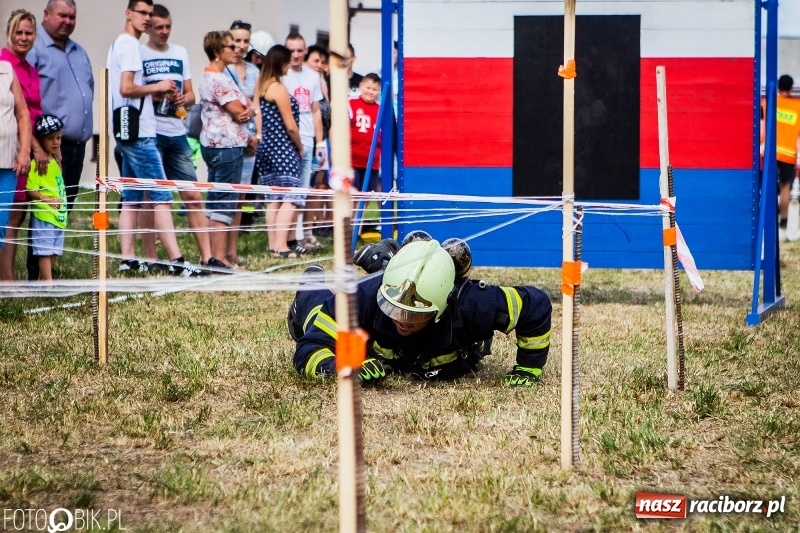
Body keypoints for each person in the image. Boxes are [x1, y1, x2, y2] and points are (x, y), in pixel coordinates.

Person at [288, 238, 552, 386]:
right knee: (315, 314)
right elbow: (309, 348)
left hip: (447, 354)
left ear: (442, 306)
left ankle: (381, 256)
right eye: (394, 308)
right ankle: (309, 288)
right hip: (367, 328)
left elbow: (535, 305)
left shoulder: (473, 303)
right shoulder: (365, 296)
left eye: (415, 314)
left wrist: (529, 367)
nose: (402, 319)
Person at [108, 0, 203, 277]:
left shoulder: (122, 43)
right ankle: (178, 261)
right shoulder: (129, 46)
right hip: (139, 131)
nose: (147, 19)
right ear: (128, 14)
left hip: (128, 126)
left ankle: (128, 259)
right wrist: (158, 86)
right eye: (143, 14)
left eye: (151, 14)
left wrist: (156, 93)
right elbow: (126, 88)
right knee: (161, 194)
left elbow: (126, 88)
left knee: (132, 196)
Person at [140, 4, 225, 272]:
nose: (164, 32)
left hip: (177, 133)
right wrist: (156, 92)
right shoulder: (139, 53)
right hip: (150, 132)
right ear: (148, 27)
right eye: (159, 27)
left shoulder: (180, 53)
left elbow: (190, 95)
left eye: (168, 27)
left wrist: (181, 98)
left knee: (192, 194)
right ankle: (152, 258)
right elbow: (131, 89)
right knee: (149, 196)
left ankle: (206, 256)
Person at [28, 0, 93, 214]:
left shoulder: (79, 51)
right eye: (62, 16)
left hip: (77, 147)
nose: (68, 21)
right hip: (49, 148)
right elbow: (24, 98)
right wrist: (37, 147)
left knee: (64, 211)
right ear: (46, 14)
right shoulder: (33, 48)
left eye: (72, 17)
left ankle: (58, 249)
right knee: (46, 214)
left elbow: (89, 89)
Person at [198, 30, 257, 267]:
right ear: (216, 51)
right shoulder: (217, 79)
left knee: (215, 200)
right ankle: (219, 257)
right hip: (226, 145)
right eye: (230, 47)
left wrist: (248, 107)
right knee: (224, 201)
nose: (236, 50)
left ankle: (212, 255)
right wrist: (250, 109)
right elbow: (239, 111)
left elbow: (245, 106)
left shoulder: (213, 76)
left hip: (214, 144)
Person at [0, 9, 43, 281]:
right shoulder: (5, 63)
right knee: (12, 216)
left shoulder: (26, 69)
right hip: (18, 150)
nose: (24, 37)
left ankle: (10, 278)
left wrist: (41, 147)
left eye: (28, 32)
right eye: (19, 32)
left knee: (15, 216)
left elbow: (27, 113)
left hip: (19, 153)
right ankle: (8, 279)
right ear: (8, 34)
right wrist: (33, 148)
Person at [254, 44, 303, 258]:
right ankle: (282, 245)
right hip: (283, 147)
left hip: (266, 147)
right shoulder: (278, 88)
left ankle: (273, 244)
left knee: (273, 198)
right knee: (291, 198)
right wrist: (299, 147)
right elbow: (290, 125)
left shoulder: (261, 86)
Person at [282, 32, 326, 253]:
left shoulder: (312, 76)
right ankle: (287, 239)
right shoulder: (281, 75)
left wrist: (320, 143)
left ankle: (297, 236)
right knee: (288, 192)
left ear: (306, 50)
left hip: (309, 139)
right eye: (291, 50)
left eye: (300, 50)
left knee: (303, 190)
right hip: (288, 140)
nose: (296, 55)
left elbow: (316, 110)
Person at [224, 19, 261, 266]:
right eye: (237, 40)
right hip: (226, 138)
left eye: (246, 41)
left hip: (249, 140)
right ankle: (218, 250)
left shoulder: (255, 71)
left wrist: (256, 136)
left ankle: (232, 250)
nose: (241, 45)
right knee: (224, 195)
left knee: (240, 198)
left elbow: (256, 105)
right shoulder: (222, 69)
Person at [26, 114, 65, 281]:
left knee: (55, 251)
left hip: (58, 216)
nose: (56, 142)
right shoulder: (37, 164)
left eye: (58, 138)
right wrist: (47, 200)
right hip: (44, 216)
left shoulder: (56, 162)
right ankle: (48, 285)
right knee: (45, 252)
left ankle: (44, 281)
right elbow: (30, 190)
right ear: (41, 140)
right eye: (51, 139)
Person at [0, 59, 31, 253]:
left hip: (6, 165)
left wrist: (24, 151)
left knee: (1, 223)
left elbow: (23, 115)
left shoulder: (7, 70)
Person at [761, 74, 800, 229]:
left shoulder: (768, 103)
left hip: (770, 151)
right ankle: (783, 220)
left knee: (767, 183)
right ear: (791, 87)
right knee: (785, 187)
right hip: (788, 154)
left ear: (778, 85)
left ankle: (766, 214)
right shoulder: (797, 107)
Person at [304, 44, 332, 239]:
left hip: (321, 140)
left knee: (318, 184)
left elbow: (328, 110)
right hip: (306, 138)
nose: (319, 65)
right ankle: (303, 230)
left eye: (323, 62)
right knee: (307, 186)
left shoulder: (323, 83)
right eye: (315, 60)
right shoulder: (304, 81)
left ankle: (308, 228)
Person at [349, 73, 382, 193]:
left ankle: (360, 213)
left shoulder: (380, 109)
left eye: (374, 89)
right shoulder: (351, 103)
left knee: (367, 193)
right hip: (352, 159)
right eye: (368, 88)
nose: (370, 92)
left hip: (371, 161)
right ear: (361, 86)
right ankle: (351, 213)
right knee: (352, 192)